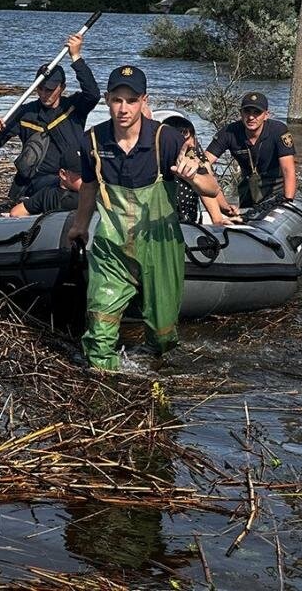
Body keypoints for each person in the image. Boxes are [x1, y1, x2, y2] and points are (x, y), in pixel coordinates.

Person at [67, 65, 219, 372]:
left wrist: (193, 177)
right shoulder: (92, 141)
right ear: (107, 100)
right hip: (112, 245)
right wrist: (80, 224)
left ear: (143, 101)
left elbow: (212, 188)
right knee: (99, 330)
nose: (124, 108)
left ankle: (151, 354)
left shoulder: (168, 139)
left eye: (132, 100)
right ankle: (104, 386)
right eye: (117, 100)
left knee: (163, 333)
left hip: (159, 245)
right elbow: (89, 186)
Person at [0, 33, 100, 201]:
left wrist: (76, 57)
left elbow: (93, 94)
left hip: (70, 178)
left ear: (62, 88)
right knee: (56, 190)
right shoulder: (25, 112)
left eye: (50, 89)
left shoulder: (74, 107)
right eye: (40, 89)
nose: (45, 94)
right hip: (37, 181)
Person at [204, 92, 297, 211]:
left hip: (276, 187)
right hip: (248, 187)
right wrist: (217, 193)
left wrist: (288, 202)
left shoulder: (279, 131)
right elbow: (205, 162)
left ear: (266, 115)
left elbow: (288, 170)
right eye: (247, 111)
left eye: (257, 112)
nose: (251, 117)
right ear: (241, 113)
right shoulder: (229, 132)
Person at [159, 115, 238, 225]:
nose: (191, 145)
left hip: (188, 222)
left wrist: (220, 214)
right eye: (184, 140)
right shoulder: (157, 157)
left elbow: (208, 188)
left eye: (192, 138)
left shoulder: (196, 157)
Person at [8, 148, 82, 216]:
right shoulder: (74, 200)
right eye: (81, 175)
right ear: (63, 174)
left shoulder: (47, 191)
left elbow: (16, 212)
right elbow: (16, 213)